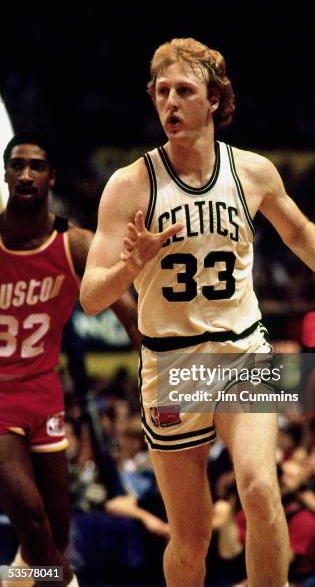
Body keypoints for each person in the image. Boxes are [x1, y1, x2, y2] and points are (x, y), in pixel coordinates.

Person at [80, 37, 315, 587]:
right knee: (190, 538)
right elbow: (92, 296)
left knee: (261, 489)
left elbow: (298, 230)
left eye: (184, 91)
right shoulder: (129, 185)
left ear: (214, 99)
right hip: (171, 366)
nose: (170, 102)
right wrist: (131, 266)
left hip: (243, 350)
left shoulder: (253, 172)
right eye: (161, 91)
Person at [0, 132, 139, 587]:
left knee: (54, 538)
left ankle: (19, 577)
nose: (25, 174)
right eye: (17, 165)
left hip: (43, 392)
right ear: (5, 175)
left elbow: (130, 312)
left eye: (36, 166)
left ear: (50, 177)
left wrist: (157, 363)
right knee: (33, 520)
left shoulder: (73, 243)